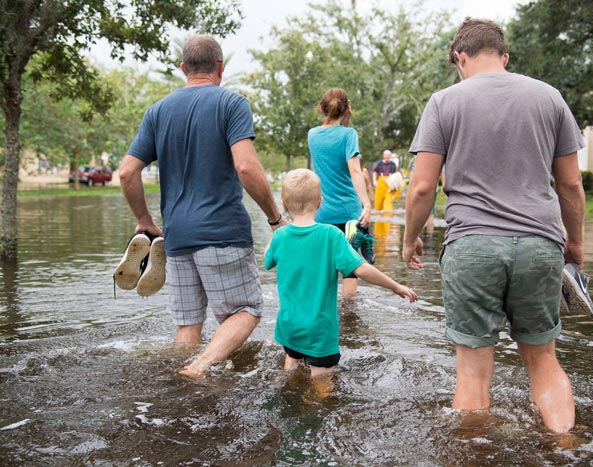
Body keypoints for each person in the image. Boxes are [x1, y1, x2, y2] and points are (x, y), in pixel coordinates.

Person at [402, 18, 587, 434]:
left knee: (472, 375)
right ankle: (566, 449)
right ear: (504, 57)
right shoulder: (550, 97)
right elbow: (571, 183)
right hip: (541, 244)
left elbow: (422, 188)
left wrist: (409, 240)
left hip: (472, 245)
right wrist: (574, 244)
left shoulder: (444, 101)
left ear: (459, 58)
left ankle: (475, 456)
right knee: (543, 361)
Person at [119, 35, 286, 378]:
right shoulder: (231, 104)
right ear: (220, 69)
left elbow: (126, 173)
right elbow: (246, 167)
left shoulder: (158, 111)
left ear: (184, 69)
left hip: (176, 236)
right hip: (222, 232)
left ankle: (184, 393)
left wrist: (144, 220)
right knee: (246, 309)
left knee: (188, 325)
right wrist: (274, 217)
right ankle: (201, 366)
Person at [264, 169, 417, 382]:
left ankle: (288, 393)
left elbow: (267, 260)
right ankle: (315, 410)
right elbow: (361, 269)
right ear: (320, 202)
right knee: (322, 382)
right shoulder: (331, 235)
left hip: (289, 325)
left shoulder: (280, 236)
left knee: (291, 360)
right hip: (319, 331)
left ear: (284, 204)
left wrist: (277, 234)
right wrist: (395, 286)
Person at [308, 88, 373, 293]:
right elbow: (355, 170)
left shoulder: (313, 134)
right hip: (348, 212)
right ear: (347, 109)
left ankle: (326, 313)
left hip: (321, 212)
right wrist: (367, 203)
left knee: (325, 268)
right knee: (350, 270)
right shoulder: (348, 134)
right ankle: (349, 321)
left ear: (322, 107)